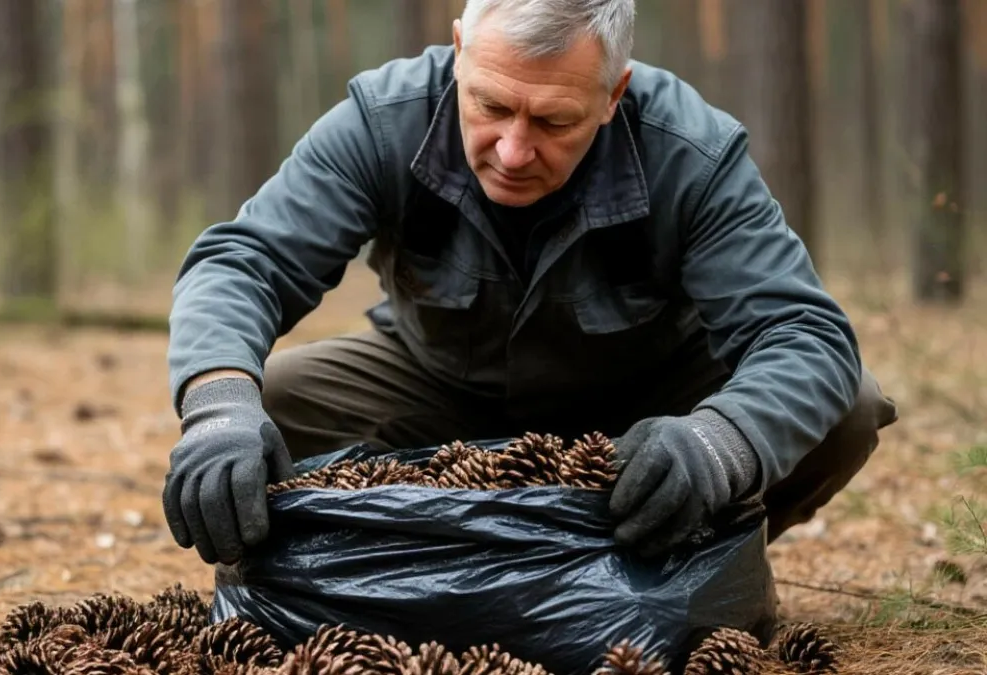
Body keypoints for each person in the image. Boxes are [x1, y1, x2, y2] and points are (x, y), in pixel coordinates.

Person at [161, 0, 899, 566]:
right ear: (459, 51)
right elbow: (244, 262)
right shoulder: (383, 122)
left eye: (553, 121)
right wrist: (220, 407)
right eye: (490, 106)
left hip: (646, 415)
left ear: (614, 94)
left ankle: (688, 558)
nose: (513, 151)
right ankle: (401, 560)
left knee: (845, 409)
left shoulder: (691, 155)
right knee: (267, 400)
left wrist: (718, 442)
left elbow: (805, 336)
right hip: (438, 388)